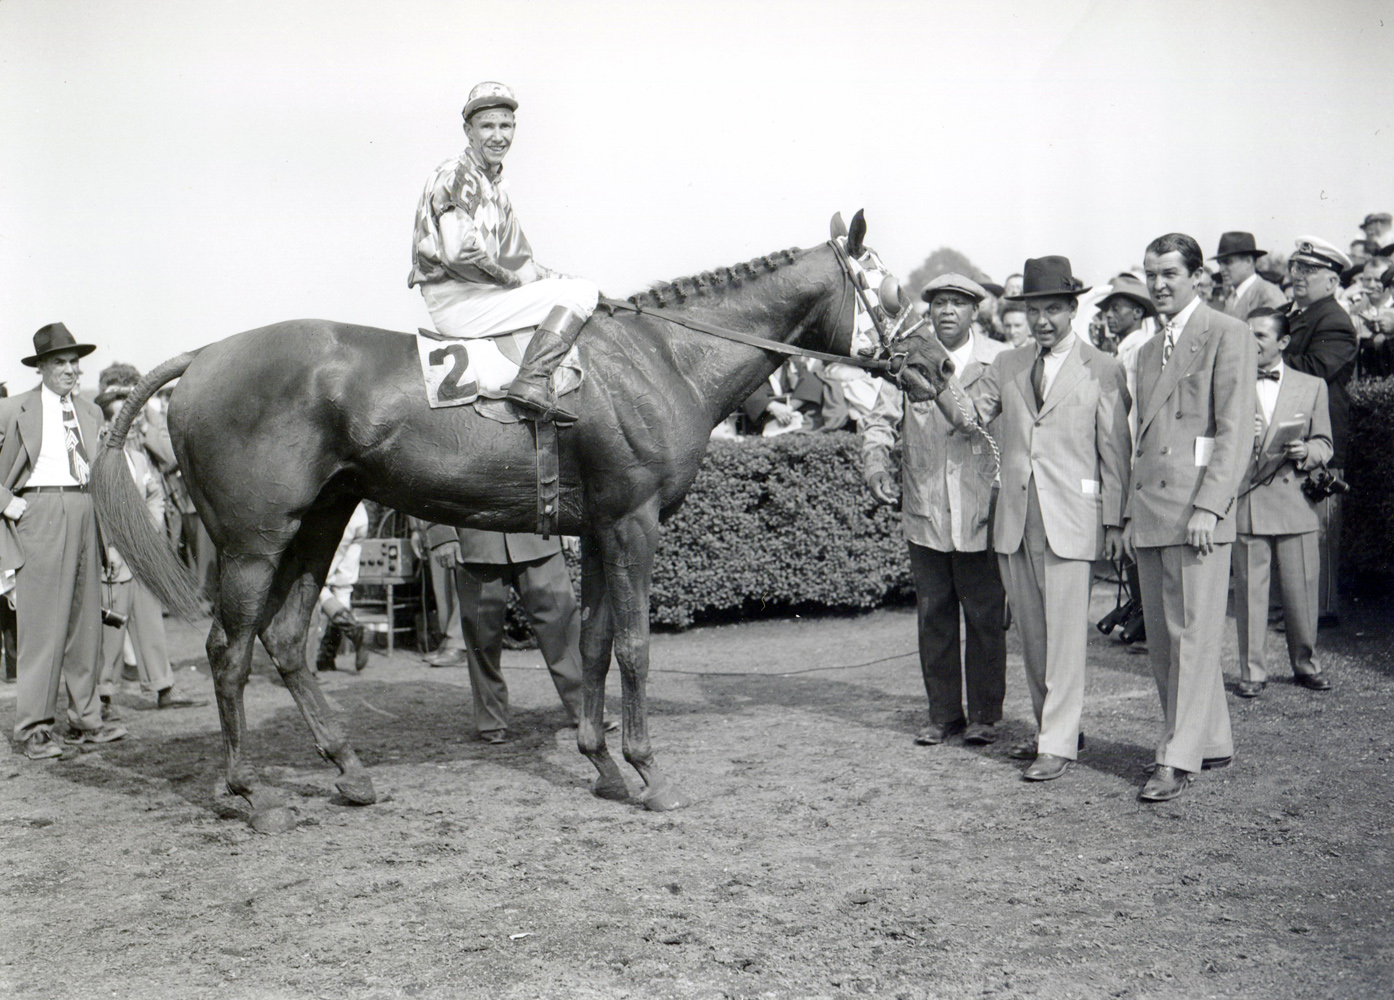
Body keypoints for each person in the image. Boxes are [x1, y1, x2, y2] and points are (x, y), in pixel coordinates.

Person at [935, 257, 1132, 781]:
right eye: (1035, 310)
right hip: (1016, 520)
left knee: (1065, 638)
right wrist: (930, 374)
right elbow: (967, 417)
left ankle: (1058, 744)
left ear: (1072, 309)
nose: (1043, 320)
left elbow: (1116, 451)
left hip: (1073, 519)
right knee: (1035, 638)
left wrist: (1116, 521)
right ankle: (1054, 731)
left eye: (1053, 310)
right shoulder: (1008, 364)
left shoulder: (1103, 367)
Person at [1122, 234, 1256, 803]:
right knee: (1163, 642)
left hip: (1197, 512)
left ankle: (1175, 758)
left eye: (1170, 273)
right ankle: (1213, 740)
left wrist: (1210, 506)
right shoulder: (1147, 350)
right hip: (1152, 512)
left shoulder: (1227, 332)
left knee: (1192, 640)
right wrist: (1128, 515)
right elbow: (1139, 441)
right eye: (1151, 274)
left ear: (1197, 276)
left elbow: (1235, 432)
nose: (1158, 284)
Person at [861, 274, 1009, 747]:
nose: (947, 311)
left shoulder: (1000, 361)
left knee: (985, 618)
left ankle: (985, 716)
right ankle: (943, 715)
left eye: (958, 303)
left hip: (980, 511)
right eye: (940, 303)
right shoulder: (906, 361)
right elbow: (879, 421)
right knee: (934, 616)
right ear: (928, 310)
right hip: (925, 510)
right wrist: (875, 464)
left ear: (975, 312)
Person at [408, 81, 600, 424]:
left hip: (479, 295)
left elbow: (522, 264)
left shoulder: (495, 188)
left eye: (505, 126)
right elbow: (458, 254)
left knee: (583, 289)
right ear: (469, 131)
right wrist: (515, 281)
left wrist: (566, 282)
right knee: (584, 292)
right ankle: (532, 381)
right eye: (487, 126)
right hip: (460, 300)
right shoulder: (460, 175)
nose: (498, 136)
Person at [1, 324, 127, 759]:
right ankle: (33, 728)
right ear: (40, 367)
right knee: (41, 628)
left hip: (86, 509)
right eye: (60, 362)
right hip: (40, 511)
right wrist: (5, 501)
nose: (71, 370)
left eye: (75, 362)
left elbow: (100, 478)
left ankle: (86, 720)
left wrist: (110, 541)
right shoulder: (13, 408)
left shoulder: (90, 412)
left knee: (85, 625)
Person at [1231, 309, 1334, 699]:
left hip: (1294, 503)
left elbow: (1325, 443)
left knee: (1301, 591)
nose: (1251, 342)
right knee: (1250, 595)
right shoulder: (1230, 383)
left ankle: (1306, 664)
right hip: (1249, 500)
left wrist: (1307, 451)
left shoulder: (1312, 386)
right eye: (1246, 334)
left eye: (1260, 335)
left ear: (1283, 342)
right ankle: (1252, 671)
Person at [424, 526, 602, 743]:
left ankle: (588, 711)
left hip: (537, 537)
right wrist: (441, 535)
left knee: (564, 627)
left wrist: (567, 522)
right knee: (481, 638)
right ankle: (490, 721)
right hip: (476, 543)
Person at [93, 385, 197, 713]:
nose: (132, 424)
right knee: (112, 627)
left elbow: (155, 496)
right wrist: (109, 547)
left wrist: (146, 531)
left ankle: (164, 687)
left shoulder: (137, 458)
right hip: (113, 557)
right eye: (123, 418)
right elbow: (97, 509)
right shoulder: (97, 461)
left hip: (141, 554)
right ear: (107, 424)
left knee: (150, 622)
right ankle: (102, 696)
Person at [1281, 237, 1358, 625]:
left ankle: (1320, 610)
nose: (1299, 275)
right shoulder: (1294, 314)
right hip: (1296, 434)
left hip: (1321, 437)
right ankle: (1297, 608)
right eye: (1296, 267)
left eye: (1310, 270)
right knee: (1295, 526)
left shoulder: (1334, 320)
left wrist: (1269, 359)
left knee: (1318, 529)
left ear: (1332, 281)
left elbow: (1316, 368)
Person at [315, 503, 371, 673]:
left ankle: (355, 630)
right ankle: (327, 657)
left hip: (337, 512)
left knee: (316, 583)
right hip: (359, 514)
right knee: (342, 588)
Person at [1215, 232, 1286, 320]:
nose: (1221, 269)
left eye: (1227, 262)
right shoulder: (1233, 297)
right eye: (1220, 263)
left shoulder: (1268, 295)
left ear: (1248, 261)